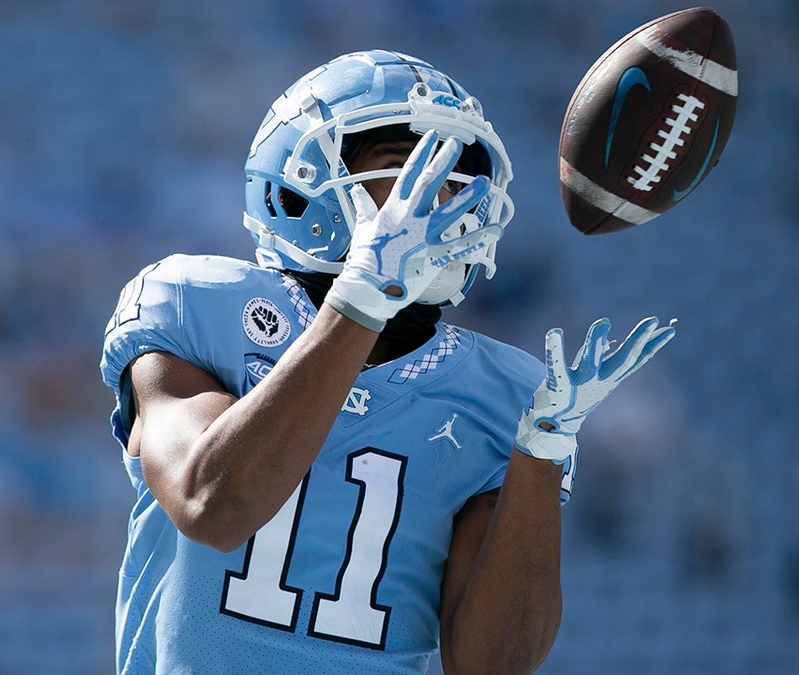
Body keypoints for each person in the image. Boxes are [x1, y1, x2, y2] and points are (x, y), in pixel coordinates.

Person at [99, 50, 675, 674]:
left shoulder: (507, 396)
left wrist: (543, 453)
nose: (439, 194)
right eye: (402, 165)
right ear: (298, 189)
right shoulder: (196, 304)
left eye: (454, 174)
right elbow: (210, 505)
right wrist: (362, 300)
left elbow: (491, 666)